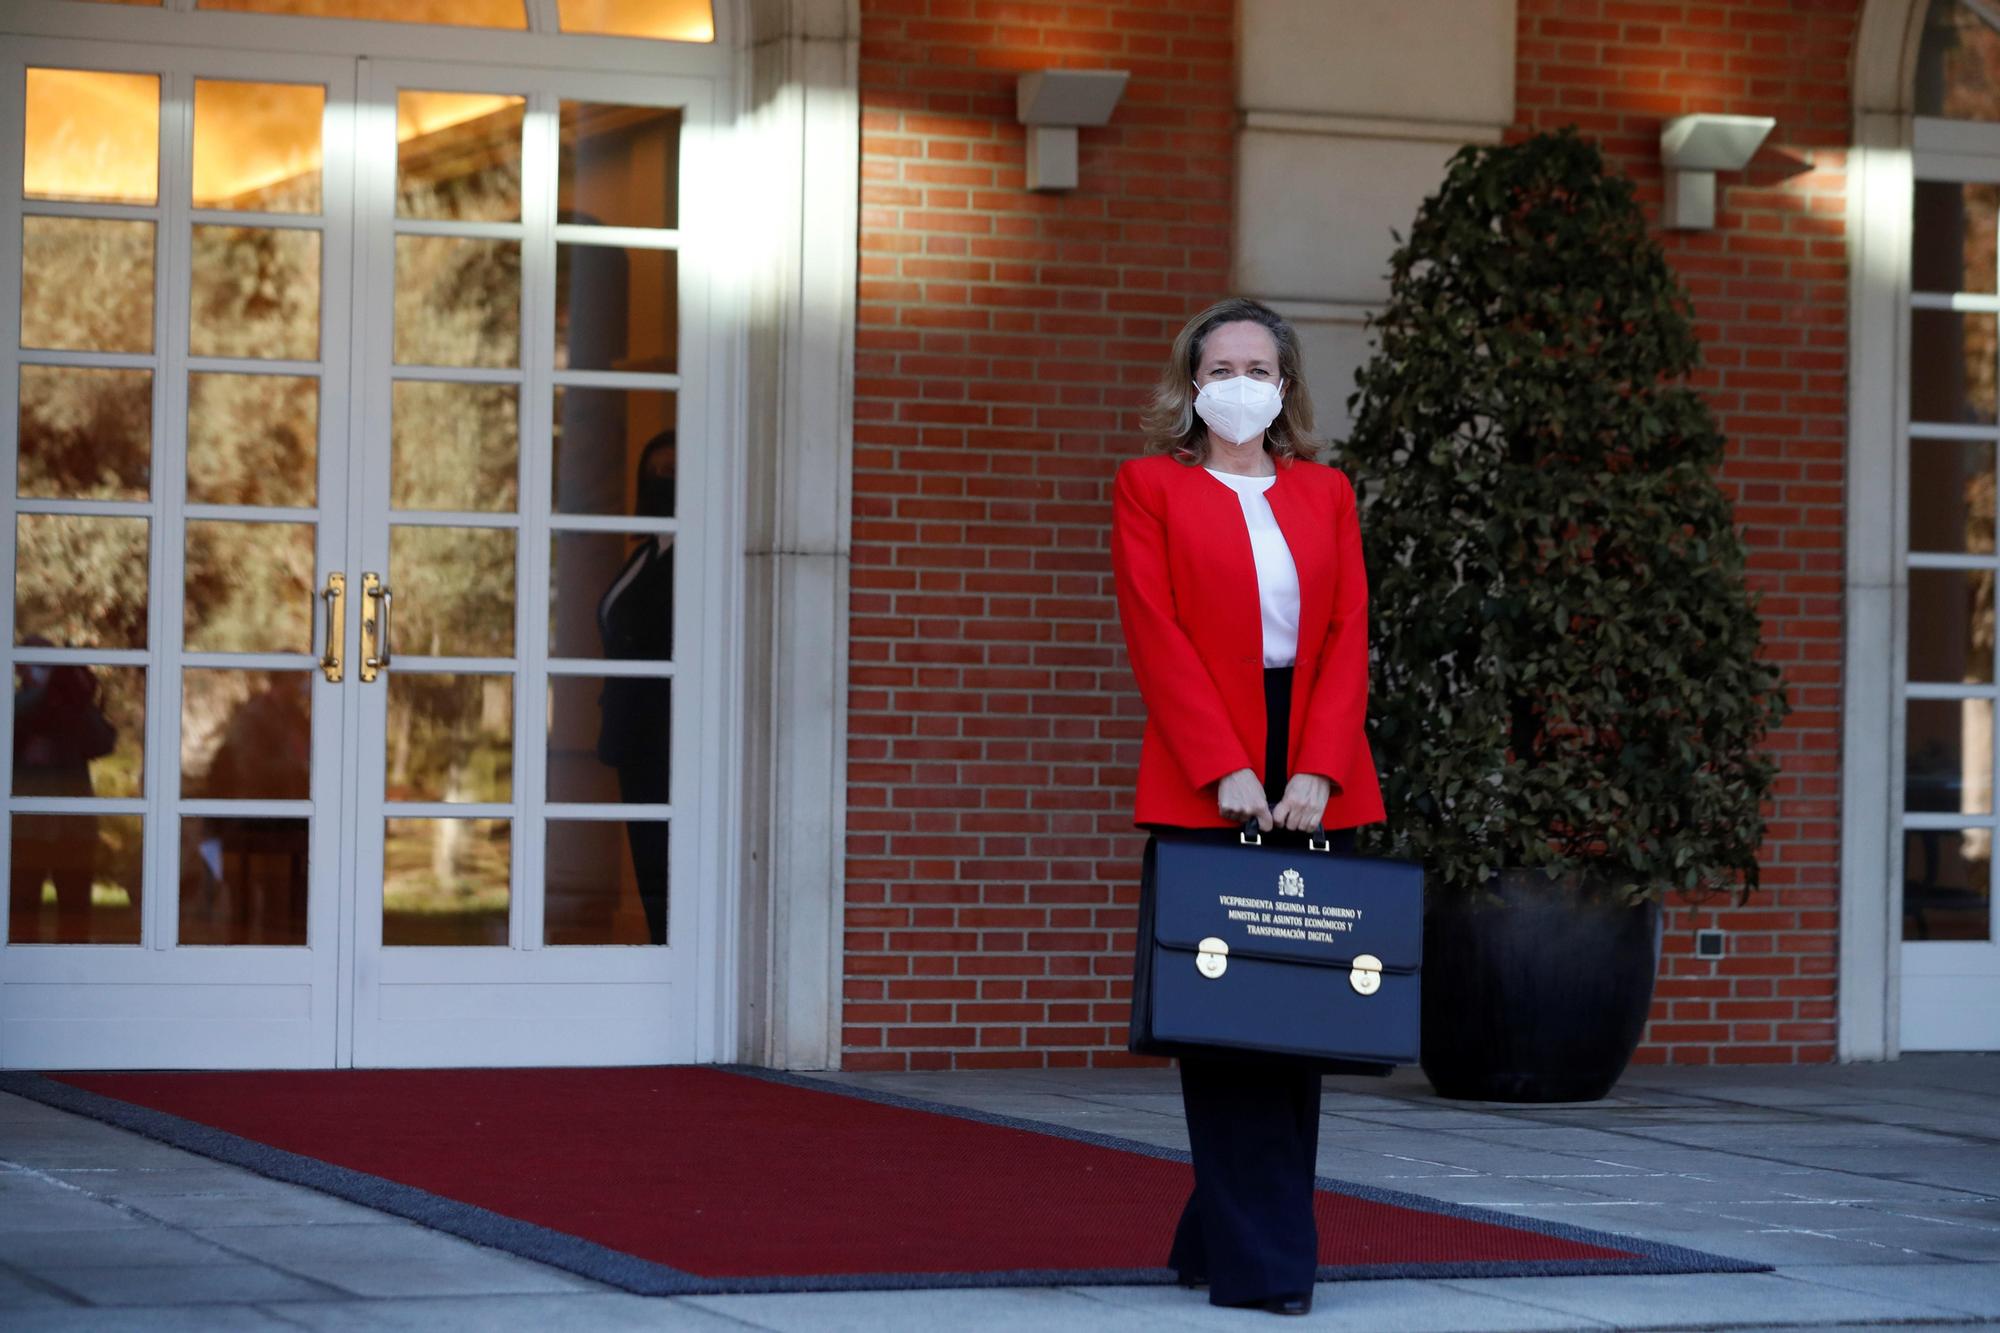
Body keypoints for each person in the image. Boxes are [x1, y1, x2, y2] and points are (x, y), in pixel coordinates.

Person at [1110, 297, 1387, 1315]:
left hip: (1314, 755)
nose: (1236, 382)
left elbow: (1346, 632)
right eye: (1217, 365)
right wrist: (1221, 764)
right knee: (1224, 1018)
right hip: (1205, 757)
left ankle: (1213, 1229)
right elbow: (1155, 630)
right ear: (1191, 385)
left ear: (1284, 386)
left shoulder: (1325, 492)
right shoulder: (1149, 486)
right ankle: (1266, 1267)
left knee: (1291, 1014)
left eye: (1255, 367)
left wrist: (1314, 765)